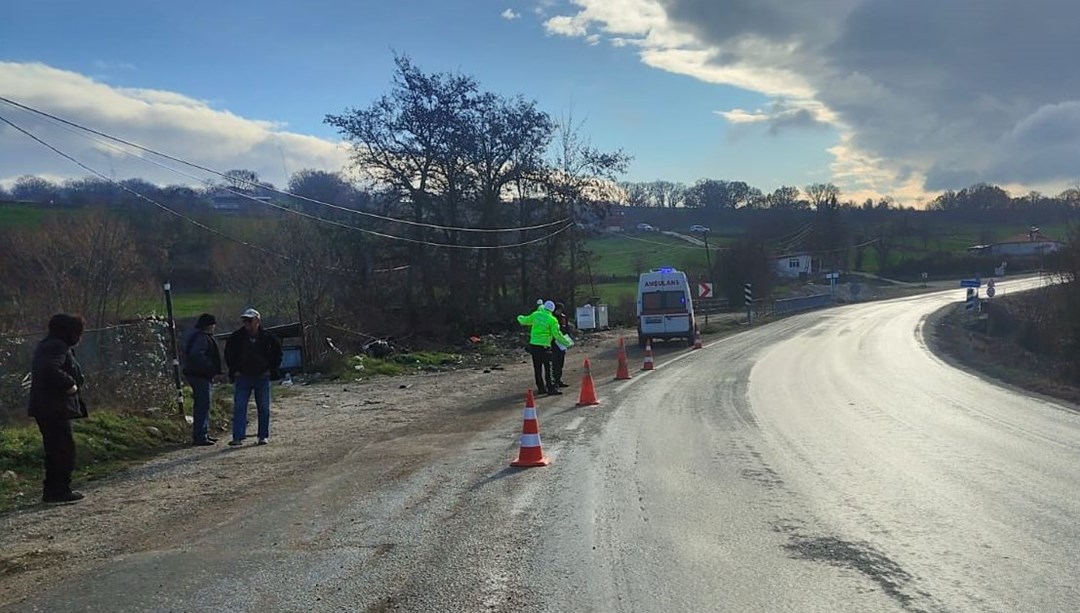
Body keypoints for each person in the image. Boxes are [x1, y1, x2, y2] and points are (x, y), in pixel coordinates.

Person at [27, 313, 88, 504]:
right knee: (62, 449)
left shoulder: (49, 345)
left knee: (56, 449)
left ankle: (54, 489)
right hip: (54, 407)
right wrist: (70, 384)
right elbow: (49, 369)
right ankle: (59, 490)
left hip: (47, 407)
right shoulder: (57, 346)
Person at [224, 308, 282, 446]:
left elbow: (278, 354)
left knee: (263, 407)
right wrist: (234, 370)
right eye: (245, 321)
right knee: (239, 407)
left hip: (262, 376)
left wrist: (272, 370)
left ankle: (263, 436)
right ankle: (238, 437)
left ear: (257, 321)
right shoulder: (236, 337)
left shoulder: (268, 337)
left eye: (249, 320)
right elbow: (229, 354)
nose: (247, 324)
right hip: (242, 376)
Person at [181, 313, 222, 446]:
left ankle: (203, 433)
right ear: (209, 325)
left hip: (195, 374)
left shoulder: (194, 336)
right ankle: (200, 435)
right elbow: (197, 355)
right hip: (200, 375)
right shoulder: (202, 338)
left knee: (202, 405)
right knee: (203, 405)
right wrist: (210, 367)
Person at [516, 300, 573, 396]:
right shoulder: (552, 320)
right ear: (552, 310)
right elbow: (557, 335)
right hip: (545, 346)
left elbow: (524, 321)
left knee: (537, 368)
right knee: (548, 368)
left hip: (534, 345)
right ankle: (551, 388)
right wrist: (567, 342)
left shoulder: (536, 315)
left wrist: (519, 317)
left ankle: (541, 388)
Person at [550, 302, 572, 388]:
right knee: (555, 364)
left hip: (562, 343)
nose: (559, 311)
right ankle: (554, 381)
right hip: (554, 343)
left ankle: (559, 380)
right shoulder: (552, 318)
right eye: (558, 310)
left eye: (561, 310)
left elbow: (566, 329)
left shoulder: (563, 317)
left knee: (560, 363)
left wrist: (568, 339)